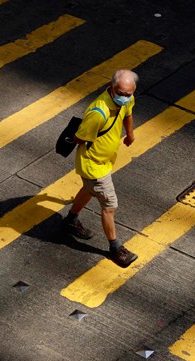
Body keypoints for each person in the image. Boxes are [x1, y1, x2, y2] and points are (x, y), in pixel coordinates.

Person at [62, 69, 139, 268]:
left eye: (128, 94)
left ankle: (70, 220)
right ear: (111, 88)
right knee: (109, 206)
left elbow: (127, 114)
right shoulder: (98, 113)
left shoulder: (127, 98)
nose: (124, 97)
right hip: (93, 165)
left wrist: (130, 135)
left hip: (105, 161)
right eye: (120, 93)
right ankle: (116, 249)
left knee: (89, 190)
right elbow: (80, 137)